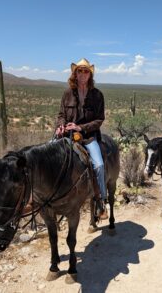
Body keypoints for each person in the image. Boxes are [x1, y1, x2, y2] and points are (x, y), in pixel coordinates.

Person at [55, 58, 108, 219]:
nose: (83, 74)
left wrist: (80, 127)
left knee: (98, 165)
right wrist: (61, 126)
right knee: (48, 158)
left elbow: (99, 119)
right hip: (68, 136)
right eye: (80, 71)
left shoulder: (97, 95)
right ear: (75, 74)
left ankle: (101, 201)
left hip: (89, 137)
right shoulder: (67, 93)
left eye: (86, 71)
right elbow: (61, 115)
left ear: (90, 74)